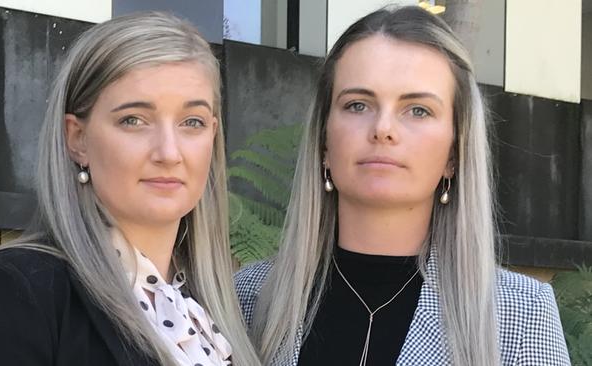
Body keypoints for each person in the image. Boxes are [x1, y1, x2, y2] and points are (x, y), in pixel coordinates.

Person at [236, 6, 570, 366]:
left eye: (418, 110)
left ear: (454, 153)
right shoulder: (249, 298)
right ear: (323, 141)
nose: (383, 128)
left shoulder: (518, 314)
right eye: (358, 104)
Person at [0, 12, 260, 366]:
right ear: (77, 139)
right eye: (134, 120)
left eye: (192, 122)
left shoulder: (220, 312)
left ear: (213, 136)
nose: (169, 153)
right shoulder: (14, 292)